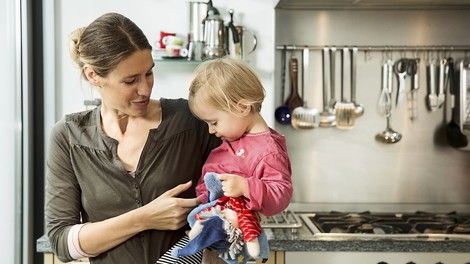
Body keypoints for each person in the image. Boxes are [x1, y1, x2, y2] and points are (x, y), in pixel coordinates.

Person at [44, 12, 221, 264]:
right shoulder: (68, 136)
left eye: (149, 73)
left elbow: (244, 170)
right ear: (93, 75)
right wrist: (145, 217)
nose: (146, 89)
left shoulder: (190, 120)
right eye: (130, 80)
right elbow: (62, 242)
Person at [174, 57, 293, 262]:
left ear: (242, 108)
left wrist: (246, 187)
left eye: (214, 122)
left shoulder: (268, 150)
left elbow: (281, 194)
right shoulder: (238, 137)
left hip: (233, 239)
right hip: (213, 226)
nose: (211, 131)